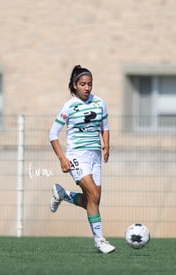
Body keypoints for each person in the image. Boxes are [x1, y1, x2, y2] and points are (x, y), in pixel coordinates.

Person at [48, 65, 115, 254]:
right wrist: (62, 158)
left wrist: (107, 145)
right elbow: (53, 134)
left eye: (90, 84)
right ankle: (100, 240)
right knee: (93, 195)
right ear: (74, 85)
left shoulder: (99, 103)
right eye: (83, 84)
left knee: (93, 200)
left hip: (95, 157)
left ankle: (63, 195)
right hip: (77, 156)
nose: (87, 88)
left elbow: (105, 125)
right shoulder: (69, 106)